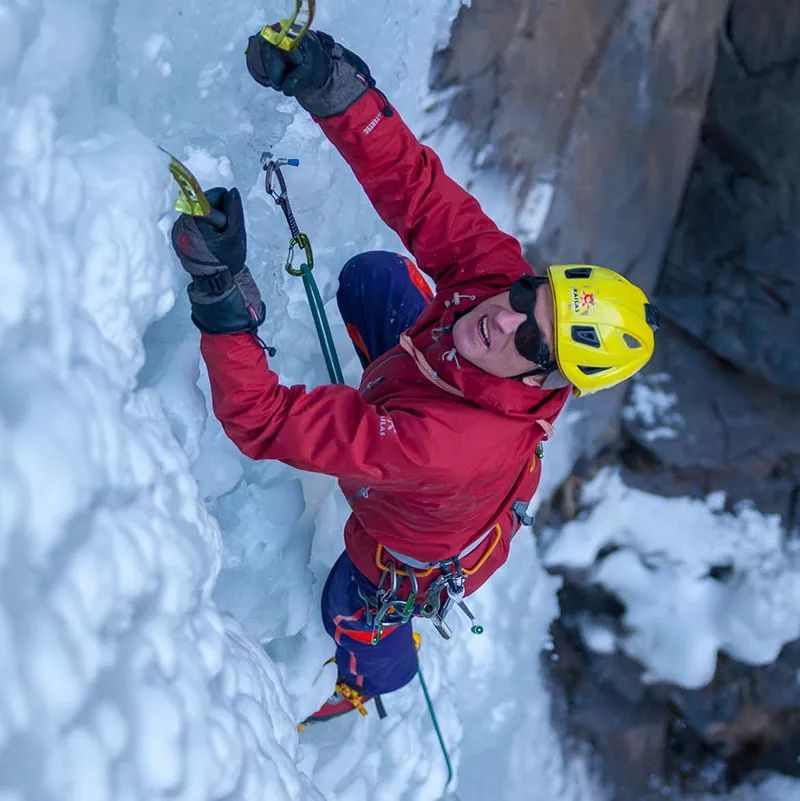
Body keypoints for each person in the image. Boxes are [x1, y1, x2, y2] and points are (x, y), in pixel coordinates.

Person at [170, 29, 660, 726]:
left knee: (352, 597)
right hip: (434, 389)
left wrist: (223, 295)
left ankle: (373, 676)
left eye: (532, 337)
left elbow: (265, 420)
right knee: (372, 278)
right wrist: (332, 87)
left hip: (413, 529)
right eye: (530, 297)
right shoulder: (502, 286)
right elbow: (419, 192)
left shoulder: (439, 445)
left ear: (552, 378)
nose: (505, 314)